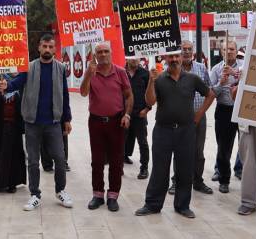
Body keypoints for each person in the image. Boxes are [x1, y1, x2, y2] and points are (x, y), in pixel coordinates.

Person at [0, 33, 73, 211]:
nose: (47, 50)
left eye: (50, 47)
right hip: (32, 123)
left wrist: (67, 118)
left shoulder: (60, 68)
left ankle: (60, 190)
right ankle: (35, 194)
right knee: (33, 161)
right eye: (44, 46)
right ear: (39, 47)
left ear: (54, 49)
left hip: (53, 123)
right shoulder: (29, 67)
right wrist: (6, 86)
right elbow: (16, 83)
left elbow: (65, 94)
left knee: (60, 159)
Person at [135, 52, 214, 219]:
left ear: (181, 57)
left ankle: (182, 206)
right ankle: (152, 204)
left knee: (185, 169)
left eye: (176, 57)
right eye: (170, 57)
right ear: (165, 59)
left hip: (186, 131)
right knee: (159, 169)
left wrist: (199, 114)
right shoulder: (160, 79)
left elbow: (210, 94)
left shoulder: (192, 79)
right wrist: (151, 80)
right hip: (163, 131)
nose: (174, 60)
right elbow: (150, 102)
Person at [80, 42, 132, 211]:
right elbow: (83, 92)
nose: (102, 54)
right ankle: (97, 194)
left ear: (111, 53)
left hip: (116, 121)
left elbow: (129, 96)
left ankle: (113, 196)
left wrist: (127, 114)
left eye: (105, 51)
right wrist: (88, 74)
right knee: (97, 160)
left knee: (117, 161)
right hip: (95, 122)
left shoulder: (120, 72)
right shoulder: (92, 72)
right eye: (99, 52)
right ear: (95, 54)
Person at [169, 41, 213, 195]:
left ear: (193, 52)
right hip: (180, 118)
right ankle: (176, 181)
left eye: (189, 49)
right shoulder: (174, 70)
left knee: (198, 152)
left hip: (199, 116)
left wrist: (200, 113)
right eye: (184, 49)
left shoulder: (201, 68)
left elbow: (209, 91)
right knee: (179, 150)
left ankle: (198, 181)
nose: (187, 52)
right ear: (179, 52)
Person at [210, 41, 243, 194]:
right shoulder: (216, 69)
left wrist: (235, 74)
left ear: (237, 51)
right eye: (225, 49)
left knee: (249, 147)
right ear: (221, 52)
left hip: (243, 111)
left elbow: (250, 79)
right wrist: (220, 83)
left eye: (231, 49)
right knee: (224, 148)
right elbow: (211, 93)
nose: (228, 51)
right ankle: (224, 179)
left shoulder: (245, 65)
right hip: (224, 111)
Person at [124, 57, 150, 179]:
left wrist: (147, 109)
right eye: (131, 57)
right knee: (121, 141)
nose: (134, 60)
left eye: (136, 57)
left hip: (140, 114)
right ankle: (119, 165)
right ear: (126, 58)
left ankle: (144, 167)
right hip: (124, 114)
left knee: (143, 142)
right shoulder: (120, 72)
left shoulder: (145, 74)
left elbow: (151, 93)